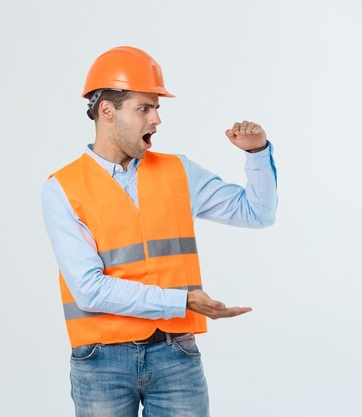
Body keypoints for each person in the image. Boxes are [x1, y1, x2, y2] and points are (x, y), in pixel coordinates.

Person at [41, 46, 278, 417]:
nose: (156, 120)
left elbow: (257, 213)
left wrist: (257, 154)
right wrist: (181, 302)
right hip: (101, 362)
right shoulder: (62, 188)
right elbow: (89, 289)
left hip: (175, 355)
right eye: (144, 108)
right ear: (108, 111)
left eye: (157, 108)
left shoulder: (178, 172)